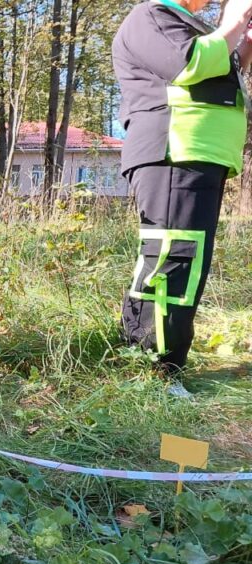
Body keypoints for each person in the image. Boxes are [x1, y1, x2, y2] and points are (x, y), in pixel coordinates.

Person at [113, 0, 252, 393]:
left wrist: (244, 45)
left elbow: (217, 72)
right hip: (173, 150)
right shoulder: (151, 15)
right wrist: (233, 22)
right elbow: (189, 64)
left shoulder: (187, 22)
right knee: (174, 257)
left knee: (181, 259)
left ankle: (150, 361)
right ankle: (155, 370)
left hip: (200, 155)